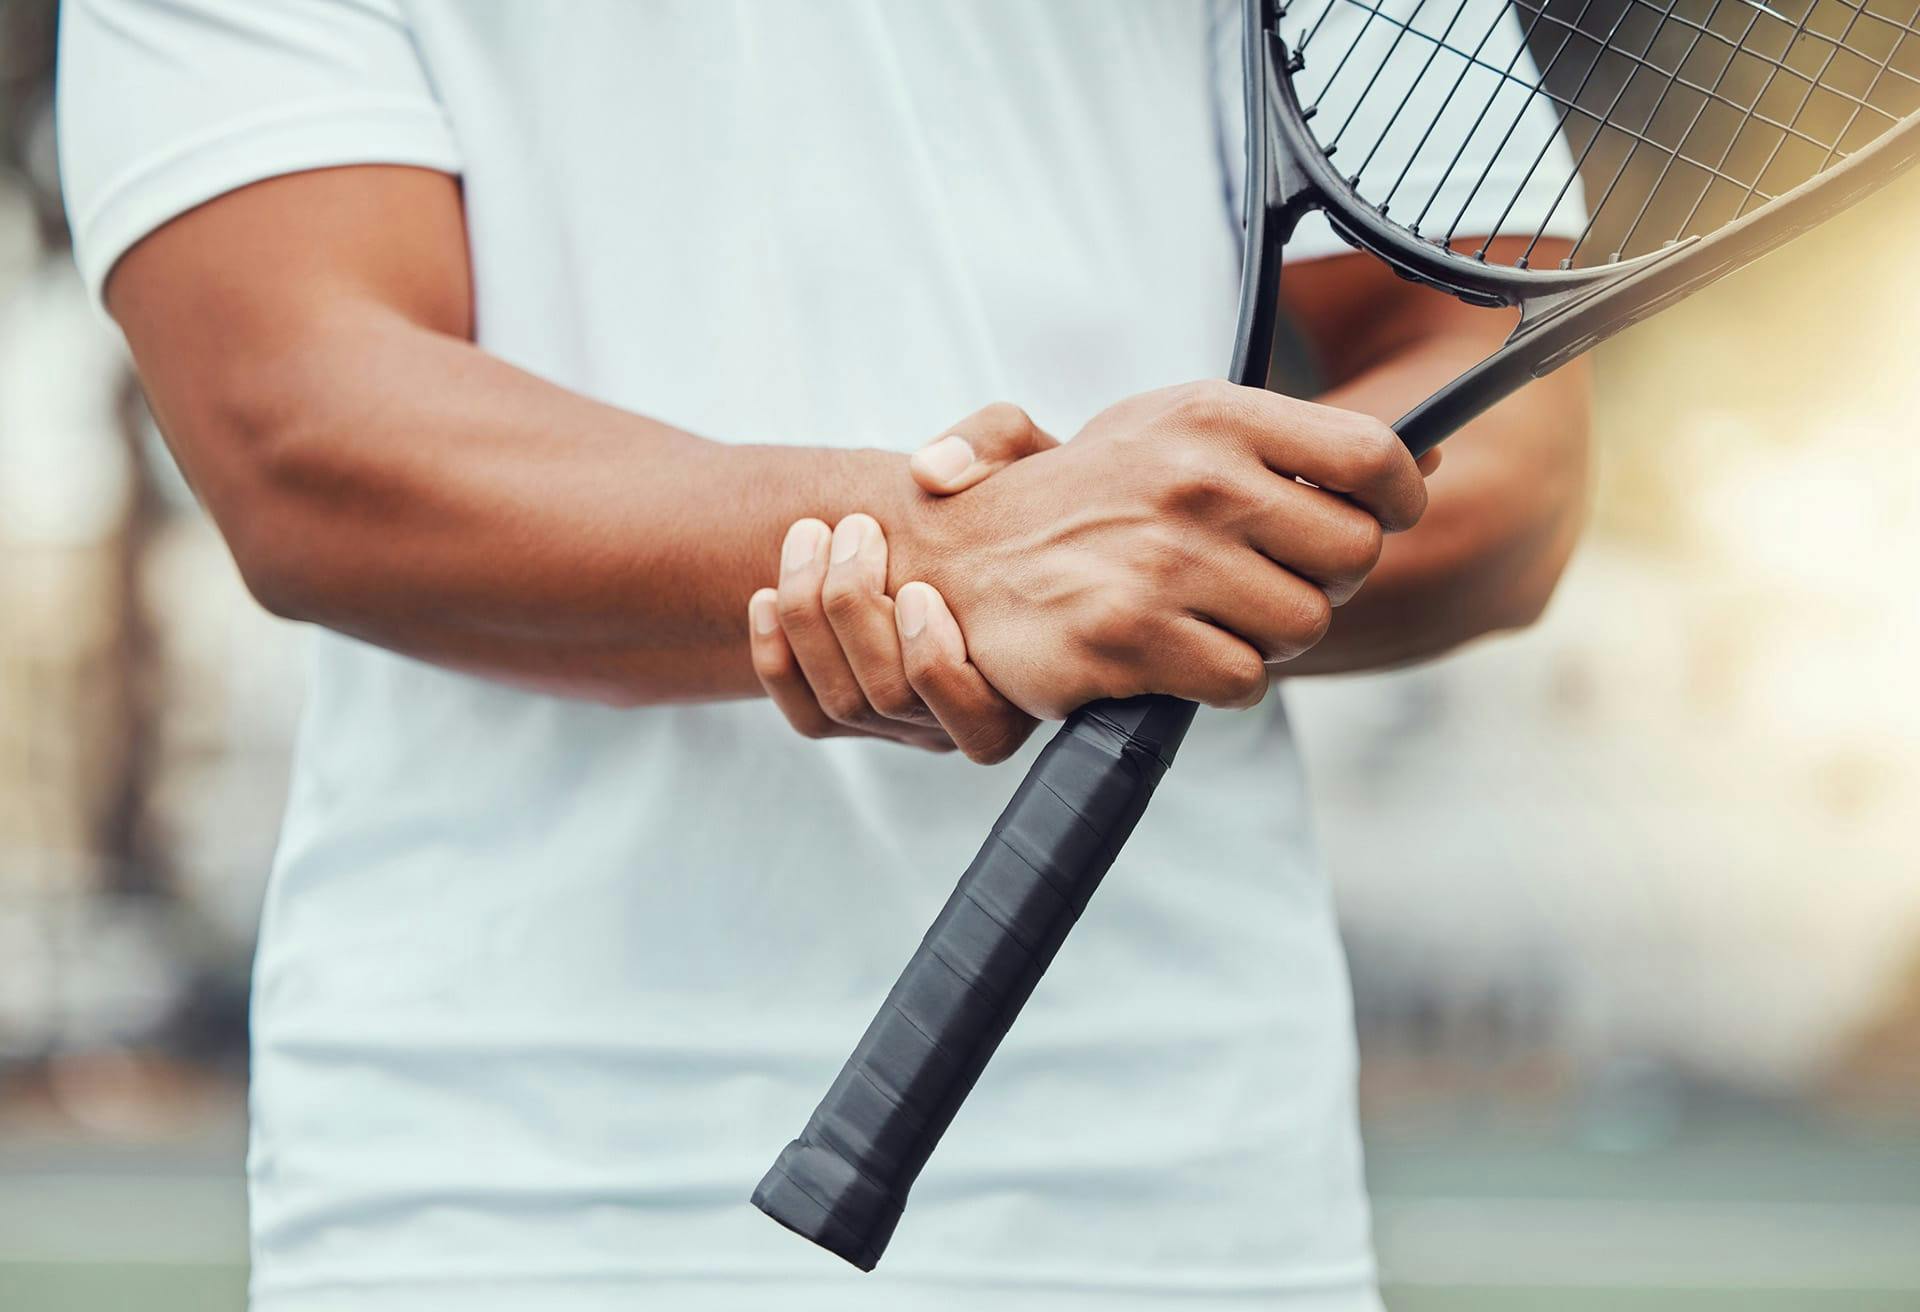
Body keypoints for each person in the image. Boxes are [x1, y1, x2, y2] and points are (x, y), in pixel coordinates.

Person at [58, 2, 1589, 1309]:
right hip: (501, 1186)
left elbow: (1508, 427)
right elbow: (305, 437)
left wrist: (1157, 565)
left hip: (1182, 1189)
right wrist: (955, 557)